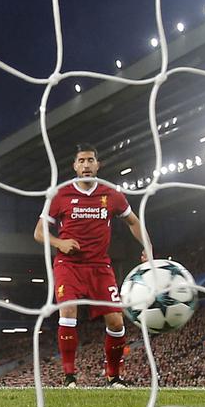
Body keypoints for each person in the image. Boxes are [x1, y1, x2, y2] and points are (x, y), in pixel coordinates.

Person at [33, 143, 150, 388]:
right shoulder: (60, 195)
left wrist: (148, 248)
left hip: (100, 267)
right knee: (68, 312)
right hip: (68, 265)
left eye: (90, 160)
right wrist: (60, 242)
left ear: (98, 164)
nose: (86, 165)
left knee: (117, 322)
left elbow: (132, 221)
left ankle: (114, 377)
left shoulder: (112, 194)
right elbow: (39, 233)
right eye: (81, 161)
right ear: (75, 166)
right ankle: (69, 377)